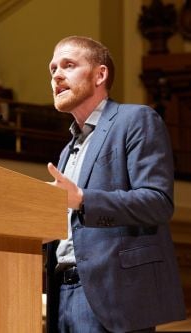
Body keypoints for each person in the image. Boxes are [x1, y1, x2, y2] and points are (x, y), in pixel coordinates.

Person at [45, 36, 186, 333]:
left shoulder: (135, 119)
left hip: (113, 294)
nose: (56, 75)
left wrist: (82, 199)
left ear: (100, 74)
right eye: (53, 69)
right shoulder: (66, 149)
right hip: (62, 293)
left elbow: (157, 202)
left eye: (68, 65)